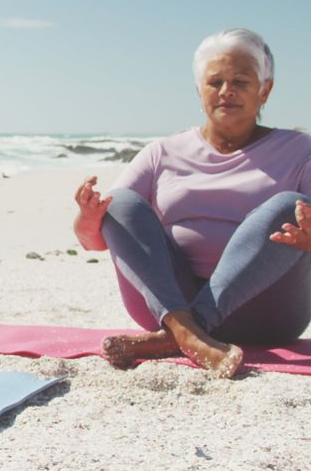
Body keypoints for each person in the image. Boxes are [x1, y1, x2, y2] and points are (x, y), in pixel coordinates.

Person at [73, 28, 311, 378]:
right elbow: (93, 241)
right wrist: (89, 215)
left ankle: (179, 335)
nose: (226, 91)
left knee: (286, 206)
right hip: (170, 302)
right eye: (215, 82)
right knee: (120, 202)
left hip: (267, 310)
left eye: (241, 81)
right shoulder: (161, 153)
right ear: (199, 90)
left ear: (265, 90)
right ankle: (187, 331)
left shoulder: (300, 151)